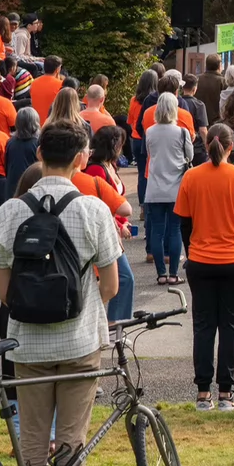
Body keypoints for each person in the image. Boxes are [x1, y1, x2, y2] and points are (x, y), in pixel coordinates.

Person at [0, 123, 120, 466]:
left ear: (39, 154)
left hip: (27, 344)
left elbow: (4, 290)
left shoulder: (9, 211)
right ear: (82, 158)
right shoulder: (93, 209)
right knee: (70, 440)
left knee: (32, 441)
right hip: (80, 344)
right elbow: (112, 284)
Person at [175, 125, 234, 411]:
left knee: (203, 326)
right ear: (230, 146)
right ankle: (226, 392)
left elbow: (184, 223)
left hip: (202, 259)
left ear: (206, 142)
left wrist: (192, 253)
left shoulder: (191, 177)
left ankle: (203, 392)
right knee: (231, 327)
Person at [82, 125, 136, 323]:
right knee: (123, 278)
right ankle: (115, 325)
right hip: (104, 231)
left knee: (115, 280)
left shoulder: (109, 166)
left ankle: (112, 323)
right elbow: (98, 203)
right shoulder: (96, 168)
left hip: (113, 228)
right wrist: (118, 223)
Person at [144, 92, 194, 286]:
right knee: (174, 230)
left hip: (155, 187)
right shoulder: (182, 132)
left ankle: (160, 274)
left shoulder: (150, 131)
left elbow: (150, 153)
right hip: (176, 188)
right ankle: (173, 273)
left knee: (156, 231)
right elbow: (189, 156)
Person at [29, 56, 66, 122]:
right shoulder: (61, 85)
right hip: (52, 125)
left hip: (35, 123)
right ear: (57, 69)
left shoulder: (34, 83)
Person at [196, 53, 227, 125]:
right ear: (219, 66)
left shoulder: (197, 79)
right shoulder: (223, 82)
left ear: (206, 65)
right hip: (217, 122)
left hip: (198, 121)